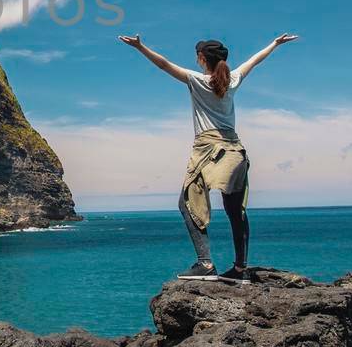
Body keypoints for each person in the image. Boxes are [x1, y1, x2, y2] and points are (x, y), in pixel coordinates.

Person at [118, 32, 298, 282]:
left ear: (202, 58)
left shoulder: (197, 81)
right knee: (235, 210)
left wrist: (140, 47)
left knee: (186, 203)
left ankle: (205, 264)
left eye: (197, 55)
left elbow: (163, 64)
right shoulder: (233, 79)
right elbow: (255, 60)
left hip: (208, 150)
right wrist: (275, 44)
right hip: (235, 151)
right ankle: (239, 269)